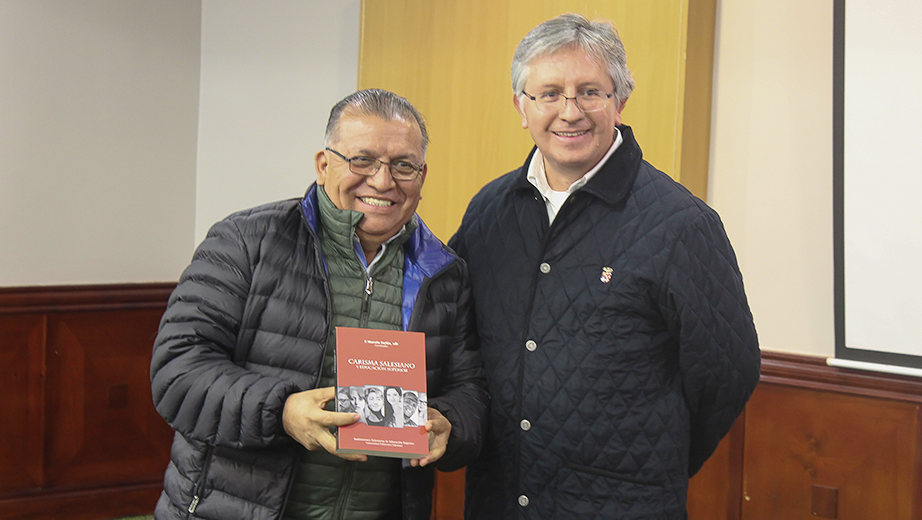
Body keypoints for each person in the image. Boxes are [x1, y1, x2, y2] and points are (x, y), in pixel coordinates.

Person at [449, 14, 760, 519]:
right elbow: (457, 337)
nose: (569, 111)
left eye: (589, 91)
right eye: (548, 93)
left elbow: (729, 371)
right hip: (500, 499)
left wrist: (652, 460)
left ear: (619, 101)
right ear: (520, 107)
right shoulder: (489, 212)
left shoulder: (682, 224)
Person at [151, 88, 489, 520]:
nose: (383, 181)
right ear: (323, 164)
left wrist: (451, 424)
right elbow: (177, 370)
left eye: (403, 165)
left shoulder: (444, 272)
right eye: (362, 160)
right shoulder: (246, 241)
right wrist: (283, 412)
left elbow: (470, 392)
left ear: (422, 176)